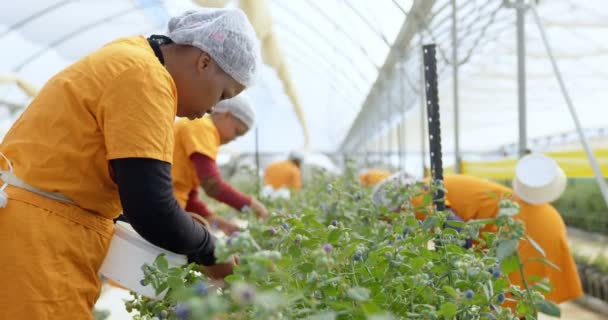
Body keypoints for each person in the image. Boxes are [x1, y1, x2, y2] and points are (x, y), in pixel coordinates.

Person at [0, 8, 260, 318]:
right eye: (222, 93)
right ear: (203, 62)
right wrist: (211, 250)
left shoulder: (132, 59)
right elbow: (152, 209)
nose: (212, 108)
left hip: (41, 230)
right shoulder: (145, 78)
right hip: (39, 241)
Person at [375, 173, 583, 305]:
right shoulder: (425, 186)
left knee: (511, 301)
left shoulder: (417, 198)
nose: (391, 222)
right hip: (532, 218)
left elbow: (457, 233)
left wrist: (451, 274)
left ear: (394, 205)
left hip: (526, 227)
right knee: (515, 300)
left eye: (387, 216)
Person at [172, 95, 268, 235]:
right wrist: (252, 205)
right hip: (161, 207)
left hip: (170, 205)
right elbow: (212, 184)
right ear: (227, 115)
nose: (234, 139)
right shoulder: (202, 127)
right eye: (237, 132)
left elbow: (189, 198)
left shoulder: (200, 132)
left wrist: (220, 224)